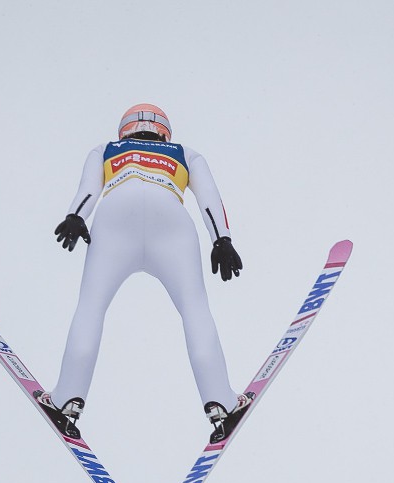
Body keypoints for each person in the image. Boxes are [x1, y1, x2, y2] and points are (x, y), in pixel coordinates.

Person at [34, 103, 253, 444]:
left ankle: (67, 399)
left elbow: (88, 188)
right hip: (171, 221)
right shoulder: (185, 153)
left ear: (124, 130)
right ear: (165, 131)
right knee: (195, 310)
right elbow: (209, 195)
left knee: (90, 307)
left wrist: (76, 216)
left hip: (116, 217)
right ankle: (221, 403)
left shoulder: (106, 149)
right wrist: (221, 239)